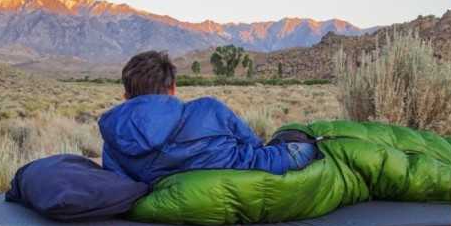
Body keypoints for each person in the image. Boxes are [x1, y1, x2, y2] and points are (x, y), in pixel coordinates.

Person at [98, 50, 318, 184]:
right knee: (314, 139)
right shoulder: (209, 108)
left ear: (127, 97)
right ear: (173, 89)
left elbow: (122, 186)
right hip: (264, 167)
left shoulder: (113, 143)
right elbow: (255, 145)